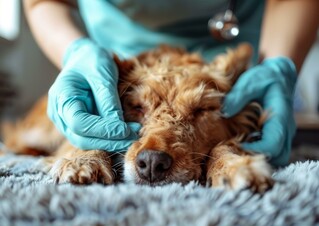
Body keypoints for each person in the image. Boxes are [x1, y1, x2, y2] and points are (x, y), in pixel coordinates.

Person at [24, 0, 319, 167]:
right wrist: (75, 50)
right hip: (118, 64)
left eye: (199, 112)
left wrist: (281, 63)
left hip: (235, 58)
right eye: (138, 109)